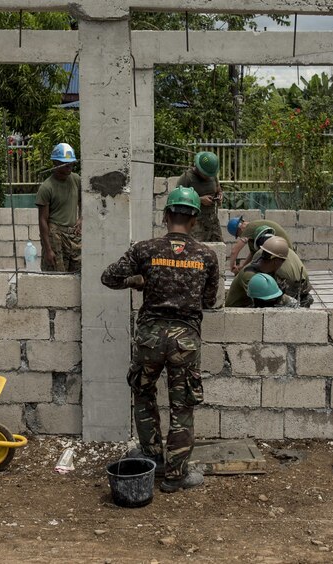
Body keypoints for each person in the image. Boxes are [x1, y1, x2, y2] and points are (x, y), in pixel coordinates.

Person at [101, 186, 221, 493]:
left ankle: (151, 454)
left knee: (143, 393)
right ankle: (175, 475)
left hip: (150, 338)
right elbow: (209, 301)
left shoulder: (145, 250)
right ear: (193, 220)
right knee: (182, 406)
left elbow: (109, 277)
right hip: (185, 342)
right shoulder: (206, 256)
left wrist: (138, 279)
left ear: (166, 215)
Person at [225, 236, 311, 308]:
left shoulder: (268, 271)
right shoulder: (251, 275)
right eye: (282, 261)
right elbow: (269, 299)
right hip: (238, 313)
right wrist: (292, 302)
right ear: (277, 261)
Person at [35, 143, 81, 272]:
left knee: (78, 273)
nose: (68, 168)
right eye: (65, 164)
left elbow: (84, 200)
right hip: (55, 236)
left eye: (71, 164)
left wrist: (81, 218)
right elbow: (43, 220)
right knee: (57, 273)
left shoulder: (76, 180)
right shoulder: (46, 187)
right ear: (55, 163)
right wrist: (48, 249)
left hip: (73, 235)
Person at [176, 151, 223, 242]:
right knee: (197, 247)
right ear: (199, 169)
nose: (208, 177)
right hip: (195, 221)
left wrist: (219, 195)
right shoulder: (187, 177)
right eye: (205, 174)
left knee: (218, 246)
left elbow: (218, 189)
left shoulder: (212, 176)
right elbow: (178, 197)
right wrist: (199, 199)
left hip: (212, 220)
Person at [226, 216, 293, 274]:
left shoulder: (248, 228)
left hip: (282, 248)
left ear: (239, 230)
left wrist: (232, 267)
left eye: (239, 235)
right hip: (285, 250)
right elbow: (253, 254)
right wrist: (242, 267)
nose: (241, 236)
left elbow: (234, 251)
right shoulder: (252, 233)